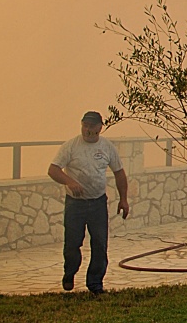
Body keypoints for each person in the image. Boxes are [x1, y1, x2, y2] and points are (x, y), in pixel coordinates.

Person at [48, 110, 129, 294]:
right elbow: (53, 170)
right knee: (72, 244)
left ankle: (95, 284)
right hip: (75, 204)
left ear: (100, 128)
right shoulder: (71, 146)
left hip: (98, 203)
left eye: (91, 126)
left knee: (100, 244)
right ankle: (70, 272)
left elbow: (119, 173)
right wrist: (70, 182)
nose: (87, 129)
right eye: (85, 125)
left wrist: (123, 199)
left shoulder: (107, 147)